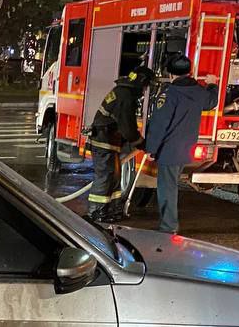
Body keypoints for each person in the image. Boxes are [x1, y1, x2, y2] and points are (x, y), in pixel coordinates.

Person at [143, 55, 219, 234]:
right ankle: (169, 224)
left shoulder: (170, 93)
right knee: (172, 186)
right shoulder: (199, 92)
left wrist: (151, 148)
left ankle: (168, 227)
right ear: (189, 72)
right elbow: (211, 102)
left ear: (170, 74)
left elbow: (159, 123)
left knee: (167, 189)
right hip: (185, 149)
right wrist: (213, 84)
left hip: (169, 149)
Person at [83, 65, 155, 223]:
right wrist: (141, 143)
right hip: (104, 142)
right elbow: (127, 127)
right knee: (105, 177)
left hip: (109, 141)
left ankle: (111, 210)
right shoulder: (125, 96)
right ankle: (96, 212)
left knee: (114, 177)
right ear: (141, 82)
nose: (144, 90)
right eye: (145, 86)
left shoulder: (123, 92)